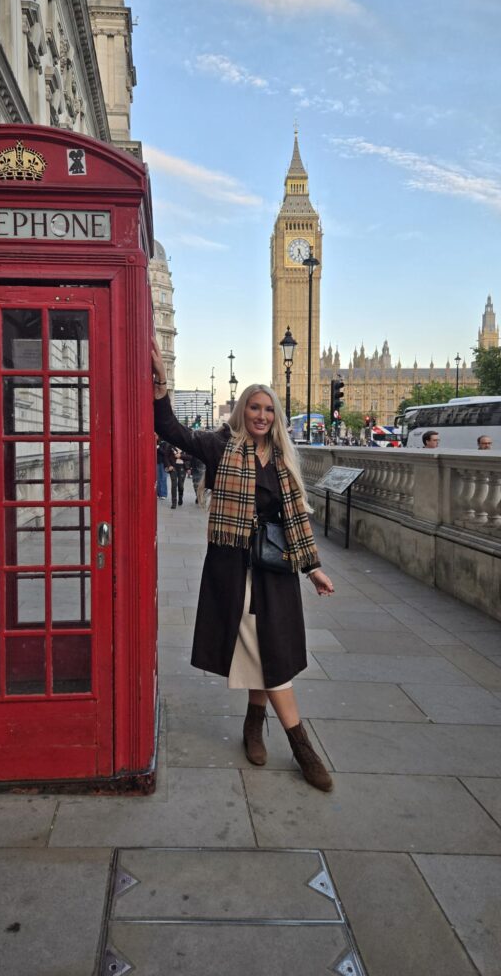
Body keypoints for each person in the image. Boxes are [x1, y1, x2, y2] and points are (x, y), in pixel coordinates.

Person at [151, 337, 335, 791]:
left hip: (273, 567)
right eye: (254, 408)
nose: (261, 416)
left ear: (276, 416)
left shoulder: (285, 462)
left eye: (268, 410)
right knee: (264, 648)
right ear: (242, 411)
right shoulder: (221, 446)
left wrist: (312, 567)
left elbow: (295, 517)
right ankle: (300, 745)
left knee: (269, 649)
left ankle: (256, 725)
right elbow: (171, 430)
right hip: (233, 565)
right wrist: (160, 384)